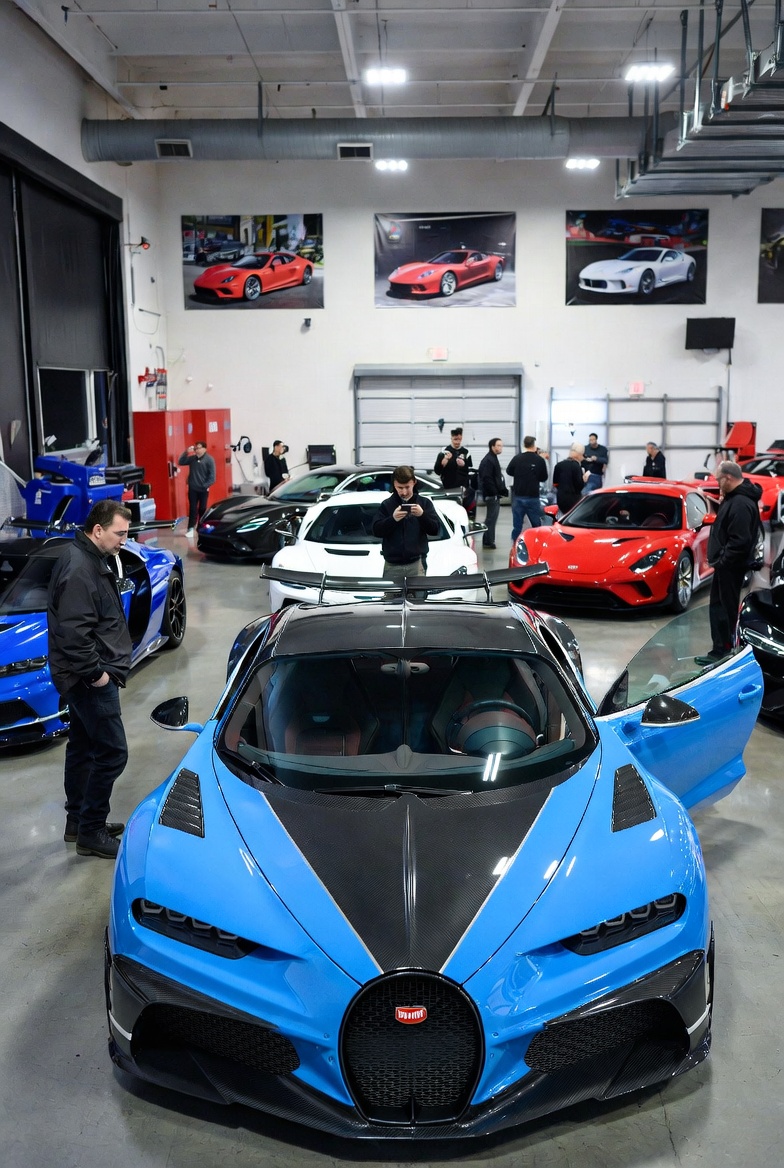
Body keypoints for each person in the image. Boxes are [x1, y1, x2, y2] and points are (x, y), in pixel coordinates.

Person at [46, 500, 133, 859]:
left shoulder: (87, 557)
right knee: (113, 752)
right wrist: (97, 674)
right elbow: (74, 634)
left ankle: (77, 822)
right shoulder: (80, 568)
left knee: (82, 746)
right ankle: (92, 830)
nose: (124, 540)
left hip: (80, 675)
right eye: (119, 533)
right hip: (87, 679)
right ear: (98, 530)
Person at [697, 461, 763, 664]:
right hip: (726, 565)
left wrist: (723, 560)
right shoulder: (735, 498)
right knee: (719, 607)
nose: (718, 484)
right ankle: (720, 649)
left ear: (728, 478)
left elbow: (740, 541)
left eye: (719, 480)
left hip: (731, 567)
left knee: (724, 609)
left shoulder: (740, 504)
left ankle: (723, 654)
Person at [371, 465, 439, 591]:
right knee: (391, 601)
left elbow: (435, 530)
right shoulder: (387, 505)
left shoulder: (424, 503)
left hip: (416, 564)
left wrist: (422, 515)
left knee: (418, 600)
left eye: (407, 487)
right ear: (394, 485)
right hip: (392, 565)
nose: (404, 492)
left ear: (414, 482)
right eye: (400, 488)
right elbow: (376, 530)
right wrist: (393, 519)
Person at [506, 436, 549, 540]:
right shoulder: (539, 460)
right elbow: (544, 477)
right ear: (534, 445)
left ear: (524, 445)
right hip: (533, 497)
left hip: (518, 496)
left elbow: (509, 471)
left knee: (517, 526)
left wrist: (519, 474)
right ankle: (538, 544)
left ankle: (515, 545)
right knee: (536, 526)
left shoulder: (517, 458)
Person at [178, 440, 216, 536]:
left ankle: (201, 527)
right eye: (196, 448)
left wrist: (205, 485)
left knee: (202, 509)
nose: (197, 450)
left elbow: (212, 477)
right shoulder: (192, 459)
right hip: (193, 488)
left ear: (204, 449)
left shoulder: (209, 460)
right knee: (193, 509)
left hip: (203, 489)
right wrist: (186, 452)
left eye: (199, 448)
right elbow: (181, 461)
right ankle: (190, 528)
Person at [477, 438, 508, 549]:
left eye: (501, 445)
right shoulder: (489, 460)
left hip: (493, 494)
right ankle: (488, 541)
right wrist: (494, 493)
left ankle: (488, 540)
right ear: (492, 447)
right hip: (491, 495)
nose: (500, 448)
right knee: (491, 519)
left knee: (491, 519)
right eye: (498, 445)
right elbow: (487, 478)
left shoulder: (492, 458)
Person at [434, 427, 474, 511]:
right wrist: (444, 462)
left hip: (462, 487)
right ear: (451, 438)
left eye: (459, 439)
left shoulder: (466, 452)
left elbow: (469, 469)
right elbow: (437, 471)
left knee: (463, 509)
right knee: (449, 509)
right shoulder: (444, 452)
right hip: (448, 487)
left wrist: (464, 465)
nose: (457, 442)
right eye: (455, 439)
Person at [553, 444, 588, 516]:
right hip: (573, 499)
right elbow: (579, 486)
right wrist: (584, 480)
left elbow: (555, 483)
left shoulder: (558, 465)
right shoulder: (577, 466)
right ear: (579, 455)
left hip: (561, 498)